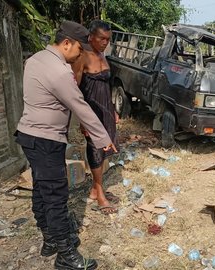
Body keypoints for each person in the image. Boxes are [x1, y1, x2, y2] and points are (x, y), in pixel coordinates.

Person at [15, 20, 116, 270]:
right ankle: (66, 256)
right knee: (56, 196)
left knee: (42, 188)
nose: (81, 54)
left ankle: (49, 240)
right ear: (67, 43)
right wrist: (103, 139)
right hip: (45, 140)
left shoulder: (36, 59)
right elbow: (80, 105)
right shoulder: (60, 71)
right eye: (79, 49)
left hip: (30, 136)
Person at [71, 20, 119, 215]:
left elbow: (105, 86)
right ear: (91, 37)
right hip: (90, 111)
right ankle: (100, 194)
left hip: (106, 109)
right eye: (101, 39)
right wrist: (82, 119)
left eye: (108, 39)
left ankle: (94, 188)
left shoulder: (103, 55)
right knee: (95, 149)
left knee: (106, 148)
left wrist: (113, 109)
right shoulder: (82, 57)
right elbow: (74, 89)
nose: (105, 42)